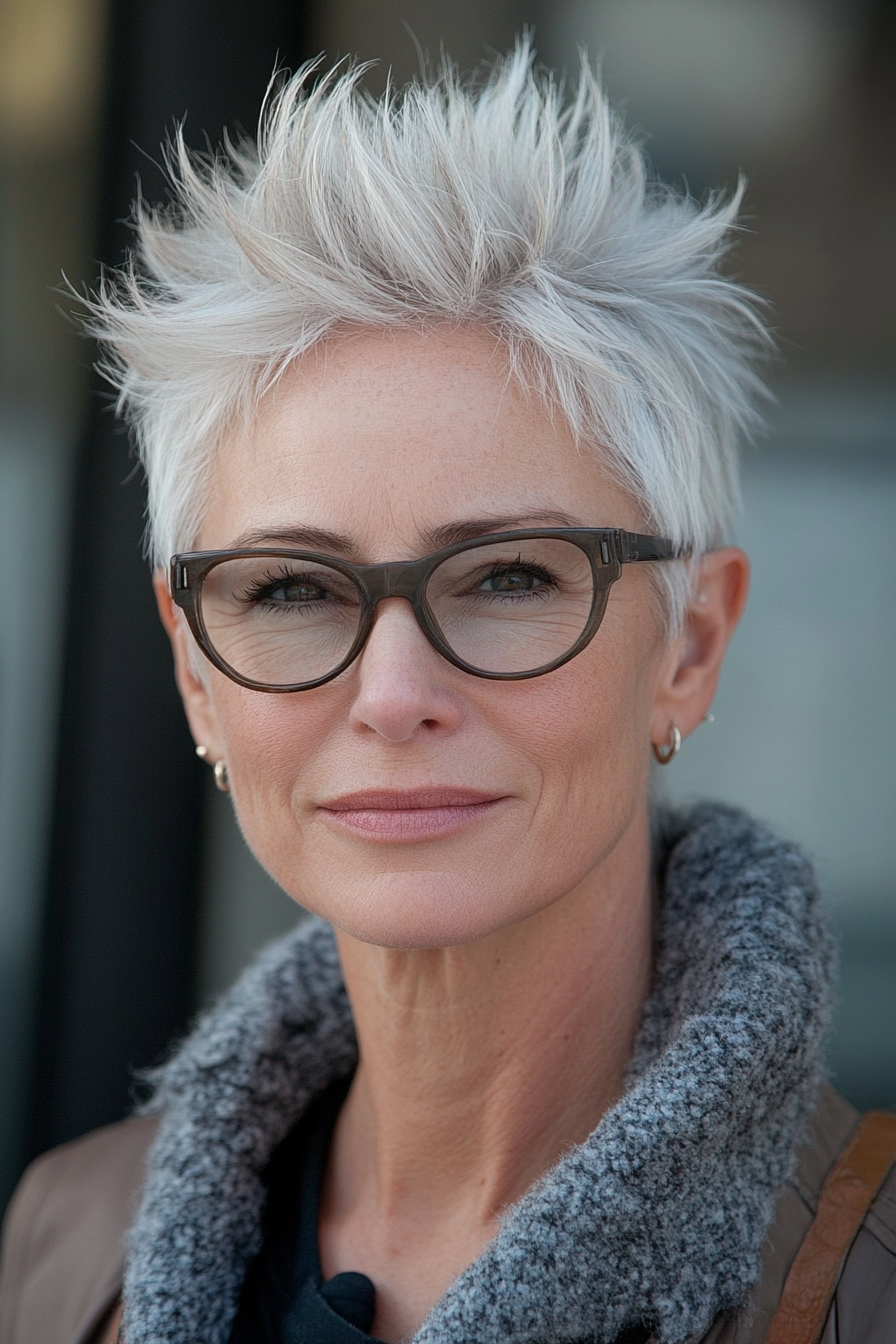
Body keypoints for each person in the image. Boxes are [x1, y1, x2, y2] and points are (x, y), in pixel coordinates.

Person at [1, 43, 894, 1344]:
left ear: (689, 645)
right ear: (196, 669)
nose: (395, 692)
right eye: (293, 591)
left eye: (513, 576)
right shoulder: (64, 1246)